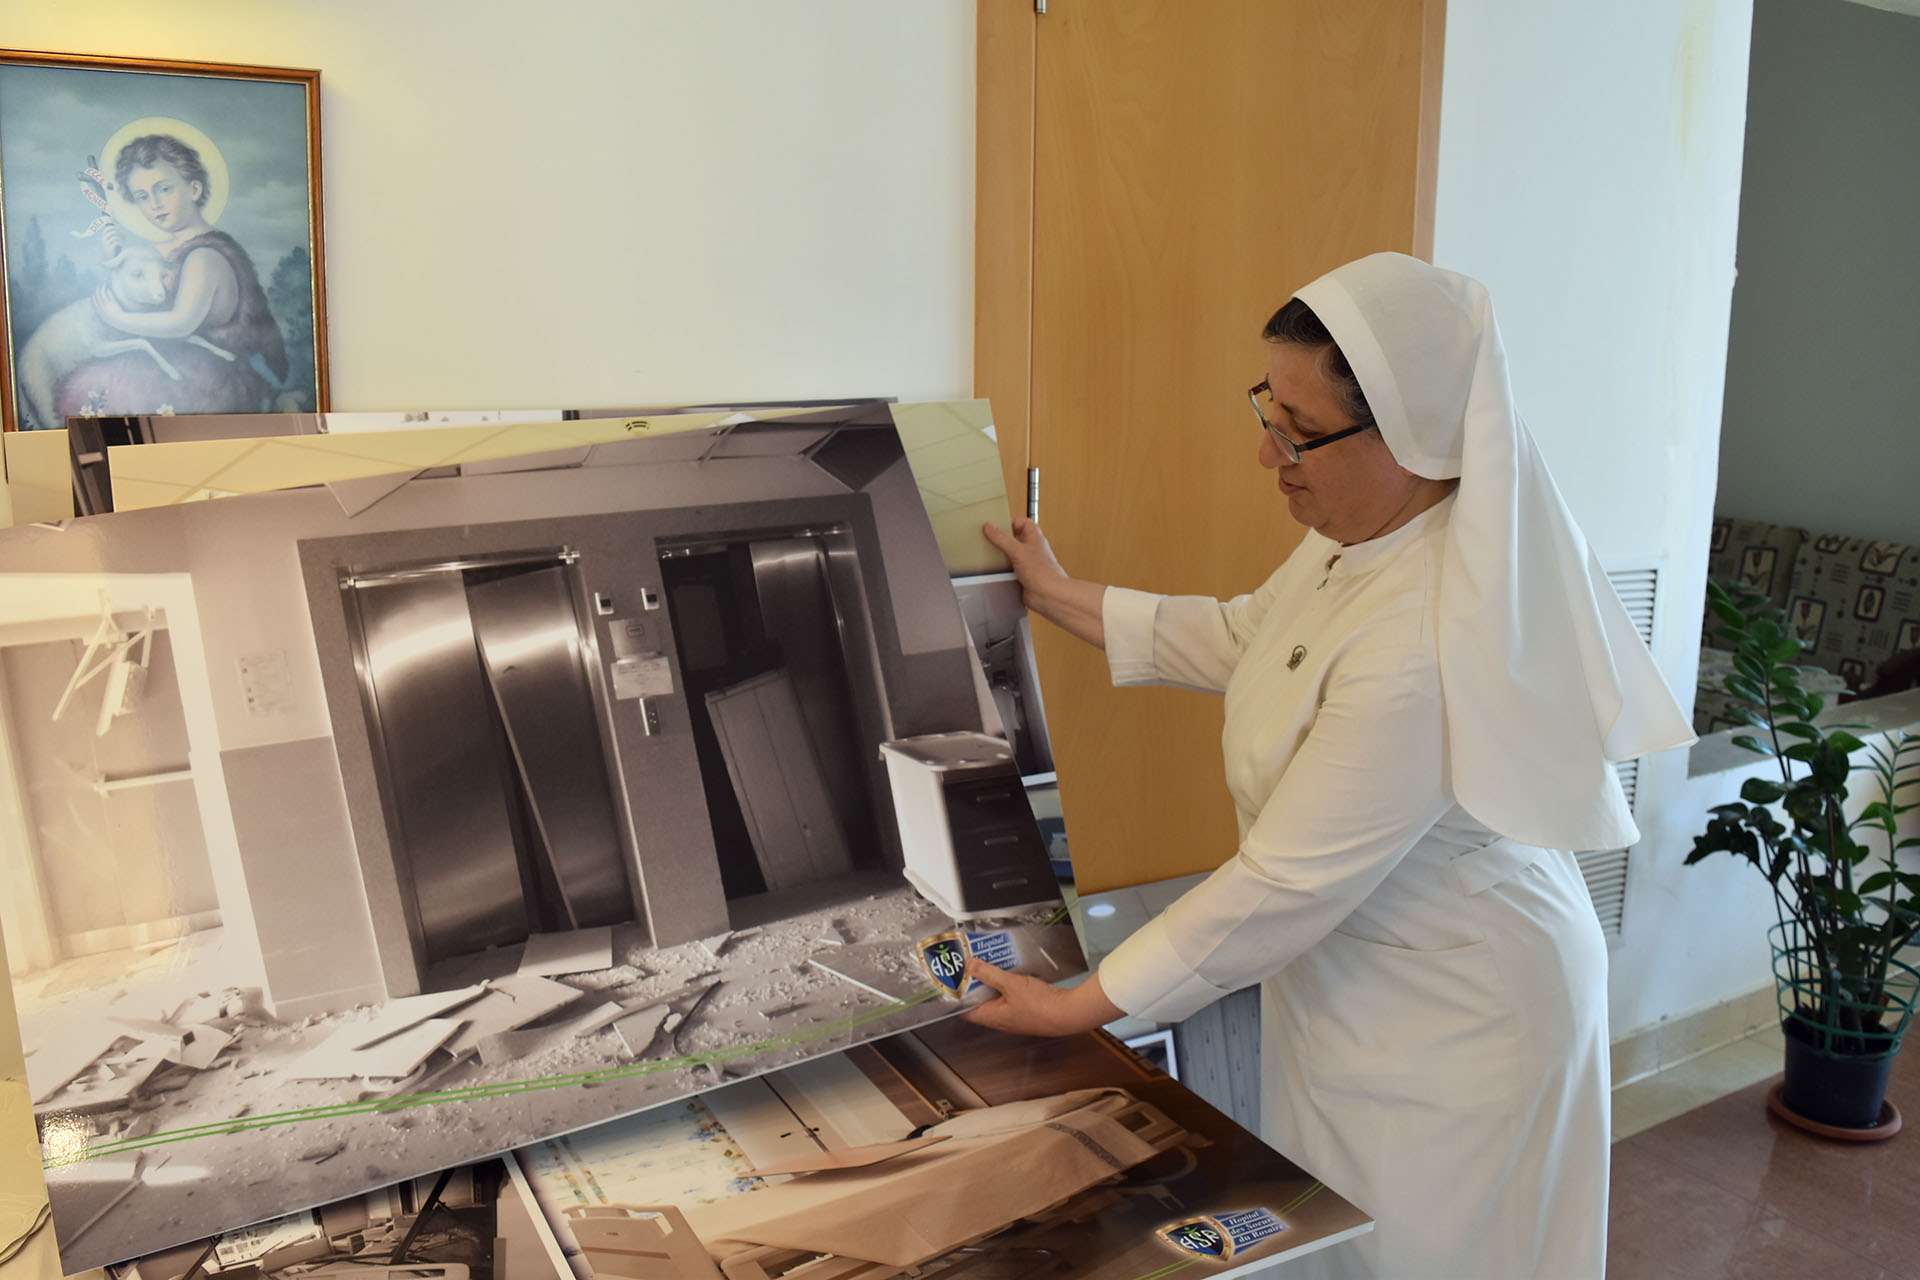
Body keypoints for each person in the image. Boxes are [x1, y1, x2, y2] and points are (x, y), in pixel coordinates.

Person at [966, 252, 1693, 1279]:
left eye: (1302, 432)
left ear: (1417, 432)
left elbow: (1283, 879)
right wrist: (1054, 592)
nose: (1271, 454)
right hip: (1361, 978)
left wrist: (1077, 1002)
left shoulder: (1427, 630)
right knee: (1342, 1243)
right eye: (1270, 409)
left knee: (1433, 1255)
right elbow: (1242, 636)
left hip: (1461, 1014)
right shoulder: (1362, 533)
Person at [67, 133, 288, 417]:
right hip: (175, 360)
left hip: (213, 374)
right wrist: (111, 260)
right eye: (142, 196)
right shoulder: (157, 251)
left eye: (164, 189)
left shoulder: (204, 256)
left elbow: (180, 324)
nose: (155, 204)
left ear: (194, 189)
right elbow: (134, 296)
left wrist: (118, 319)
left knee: (105, 388)